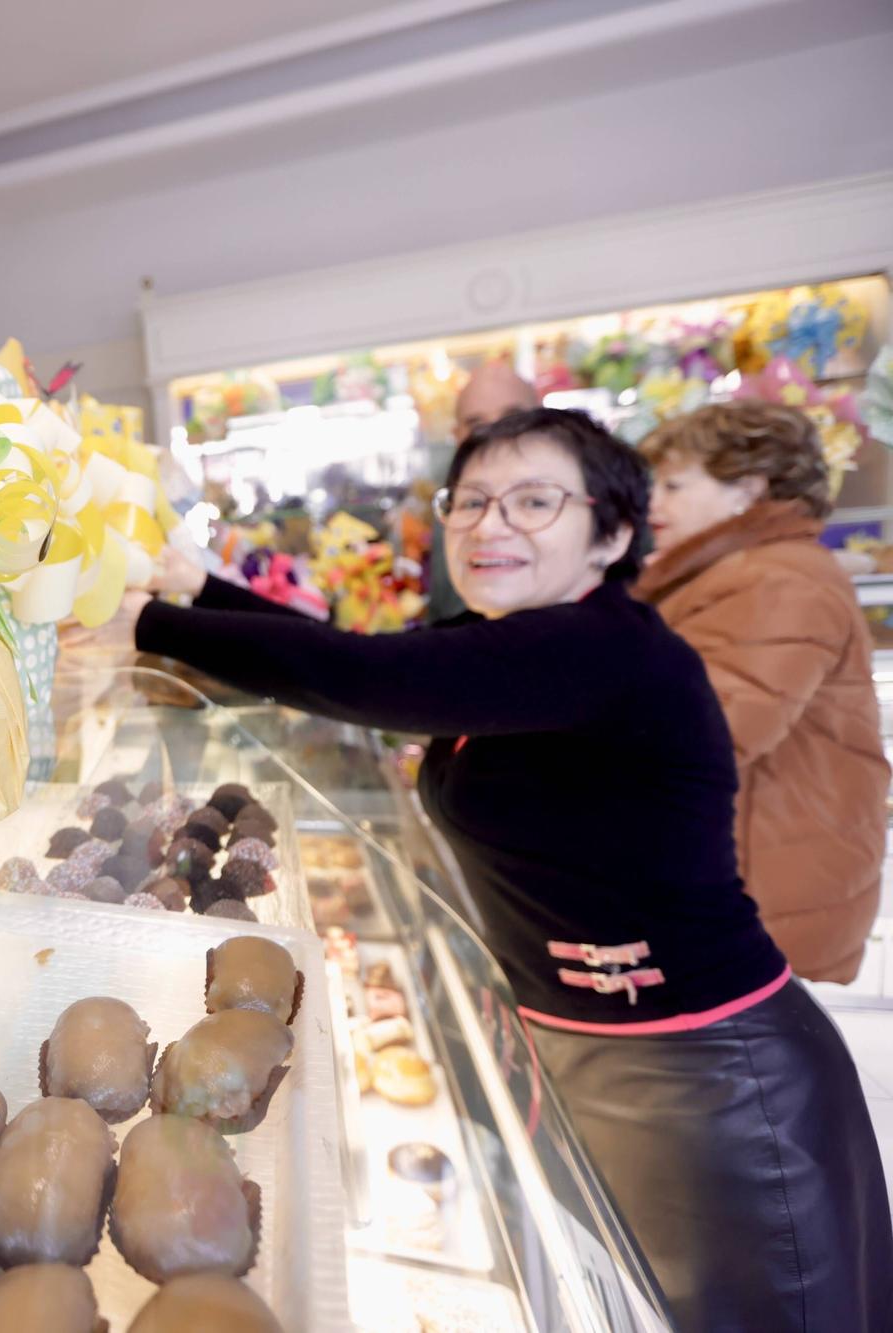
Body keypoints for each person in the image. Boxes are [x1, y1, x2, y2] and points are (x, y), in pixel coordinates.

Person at [119, 407, 889, 1330]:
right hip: (592, 1042)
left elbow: (368, 680)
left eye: (534, 501)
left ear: (611, 532)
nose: (490, 524)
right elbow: (378, 663)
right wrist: (202, 593)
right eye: (473, 501)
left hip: (709, 1072)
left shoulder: (599, 645)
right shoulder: (528, 638)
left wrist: (156, 621)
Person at [637, 402, 888, 982]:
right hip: (754, 877)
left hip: (762, 892)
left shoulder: (775, 578)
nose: (655, 504)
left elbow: (709, 735)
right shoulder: (736, 571)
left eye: (674, 485)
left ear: (747, 490)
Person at [426, 358, 540, 620]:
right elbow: (445, 610)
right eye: (478, 426)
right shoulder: (448, 503)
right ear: (457, 436)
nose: (497, 435)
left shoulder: (578, 492)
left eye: (513, 418)